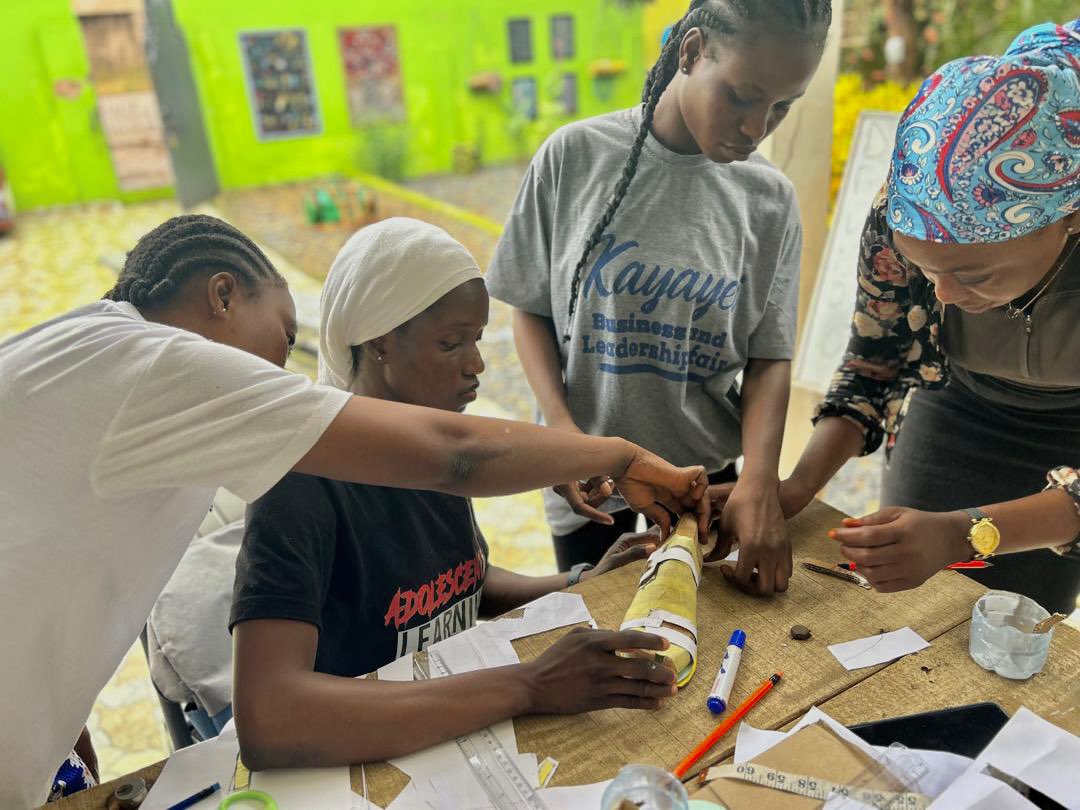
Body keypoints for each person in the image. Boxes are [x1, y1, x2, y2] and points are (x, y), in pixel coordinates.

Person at [0, 214, 707, 809]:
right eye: (281, 340)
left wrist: (53, 736)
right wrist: (613, 456)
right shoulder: (154, 366)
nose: (283, 382)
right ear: (221, 295)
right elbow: (456, 454)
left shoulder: (87, 358)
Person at [229, 218, 680, 768]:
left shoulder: (436, 450)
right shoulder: (299, 485)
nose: (477, 365)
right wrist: (532, 684)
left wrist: (577, 581)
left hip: (450, 732)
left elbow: (459, 585)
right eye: (451, 343)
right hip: (356, 763)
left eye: (477, 339)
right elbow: (270, 722)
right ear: (379, 341)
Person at [485, 0, 834, 596]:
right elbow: (532, 308)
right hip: (588, 483)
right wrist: (566, 436)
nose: (758, 127)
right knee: (597, 641)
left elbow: (770, 356)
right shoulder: (573, 157)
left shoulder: (769, 200)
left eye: (783, 106)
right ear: (692, 51)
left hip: (705, 488)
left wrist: (760, 482)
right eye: (743, 96)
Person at [772, 20, 1080, 610]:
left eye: (974, 275)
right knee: (913, 605)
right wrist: (796, 487)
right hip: (959, 405)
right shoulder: (907, 214)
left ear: (1069, 217)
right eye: (926, 270)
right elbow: (876, 361)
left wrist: (964, 532)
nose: (941, 296)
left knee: (1020, 618)